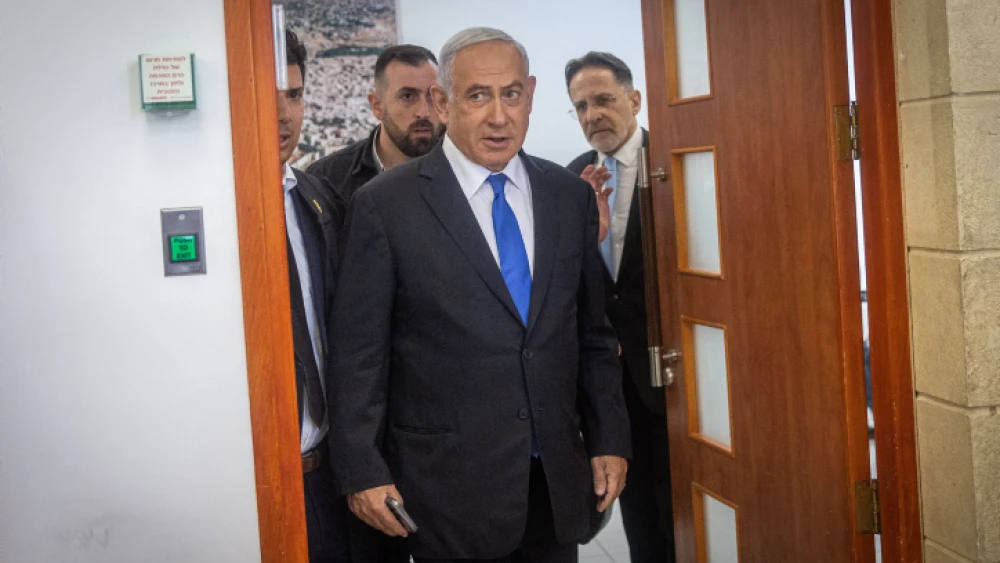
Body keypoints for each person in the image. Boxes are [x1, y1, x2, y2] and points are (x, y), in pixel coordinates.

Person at [326, 27, 632, 563]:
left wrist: (609, 436)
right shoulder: (386, 206)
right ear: (443, 103)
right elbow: (358, 355)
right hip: (444, 493)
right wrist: (362, 470)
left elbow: (592, 335)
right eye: (477, 96)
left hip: (555, 485)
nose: (498, 115)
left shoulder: (567, 197)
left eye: (511, 94)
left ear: (531, 95)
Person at [565, 52, 676, 563]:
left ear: (634, 99)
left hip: (678, 374)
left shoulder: (679, 158)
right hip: (610, 384)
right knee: (640, 520)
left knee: (687, 512)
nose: (593, 116)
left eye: (604, 100)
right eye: (581, 106)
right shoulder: (569, 181)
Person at [278, 29, 350, 562]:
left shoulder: (317, 198)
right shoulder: (212, 210)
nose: (285, 115)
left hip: (331, 476)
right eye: (271, 96)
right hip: (261, 484)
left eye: (295, 96)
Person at [308, 44, 444, 201]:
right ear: (377, 106)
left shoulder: (463, 173)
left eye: (431, 96)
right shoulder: (327, 180)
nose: (423, 112)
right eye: (407, 96)